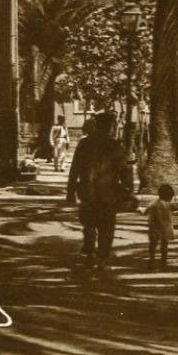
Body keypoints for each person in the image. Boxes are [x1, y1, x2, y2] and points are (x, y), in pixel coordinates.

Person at [66, 113, 130, 269]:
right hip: (109, 192)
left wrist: (70, 190)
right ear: (110, 126)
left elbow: (75, 168)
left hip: (87, 190)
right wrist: (128, 190)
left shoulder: (84, 143)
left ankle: (90, 254)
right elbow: (124, 170)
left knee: (89, 223)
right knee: (106, 226)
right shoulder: (115, 145)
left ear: (97, 125)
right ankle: (102, 259)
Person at [147, 183, 176, 268]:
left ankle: (152, 260)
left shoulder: (153, 204)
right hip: (165, 228)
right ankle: (163, 262)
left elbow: (144, 211)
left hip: (154, 228)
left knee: (153, 244)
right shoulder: (169, 205)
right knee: (164, 245)